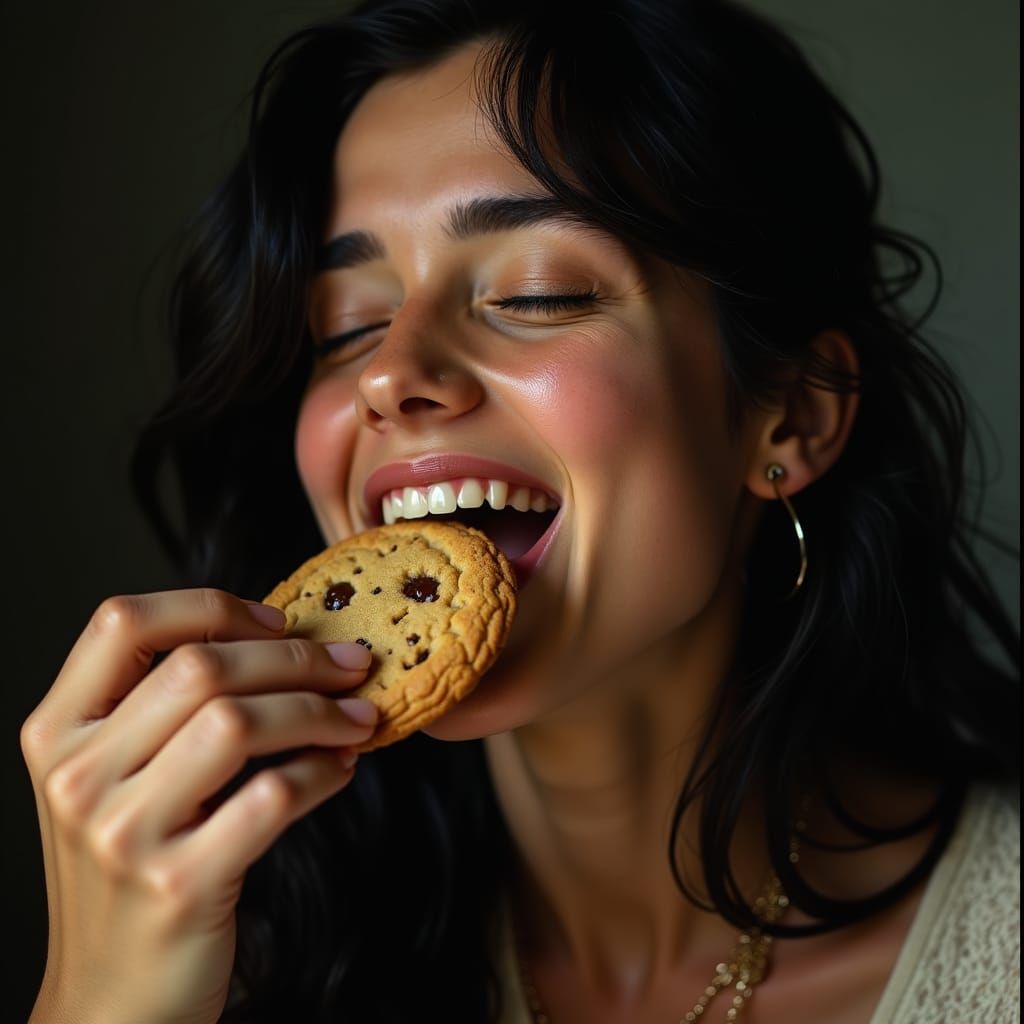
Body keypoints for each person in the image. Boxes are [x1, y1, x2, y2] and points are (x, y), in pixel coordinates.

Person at [21, 1, 1019, 1022]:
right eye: (345, 327)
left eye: (535, 293)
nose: (392, 374)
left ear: (793, 417)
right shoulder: (239, 965)